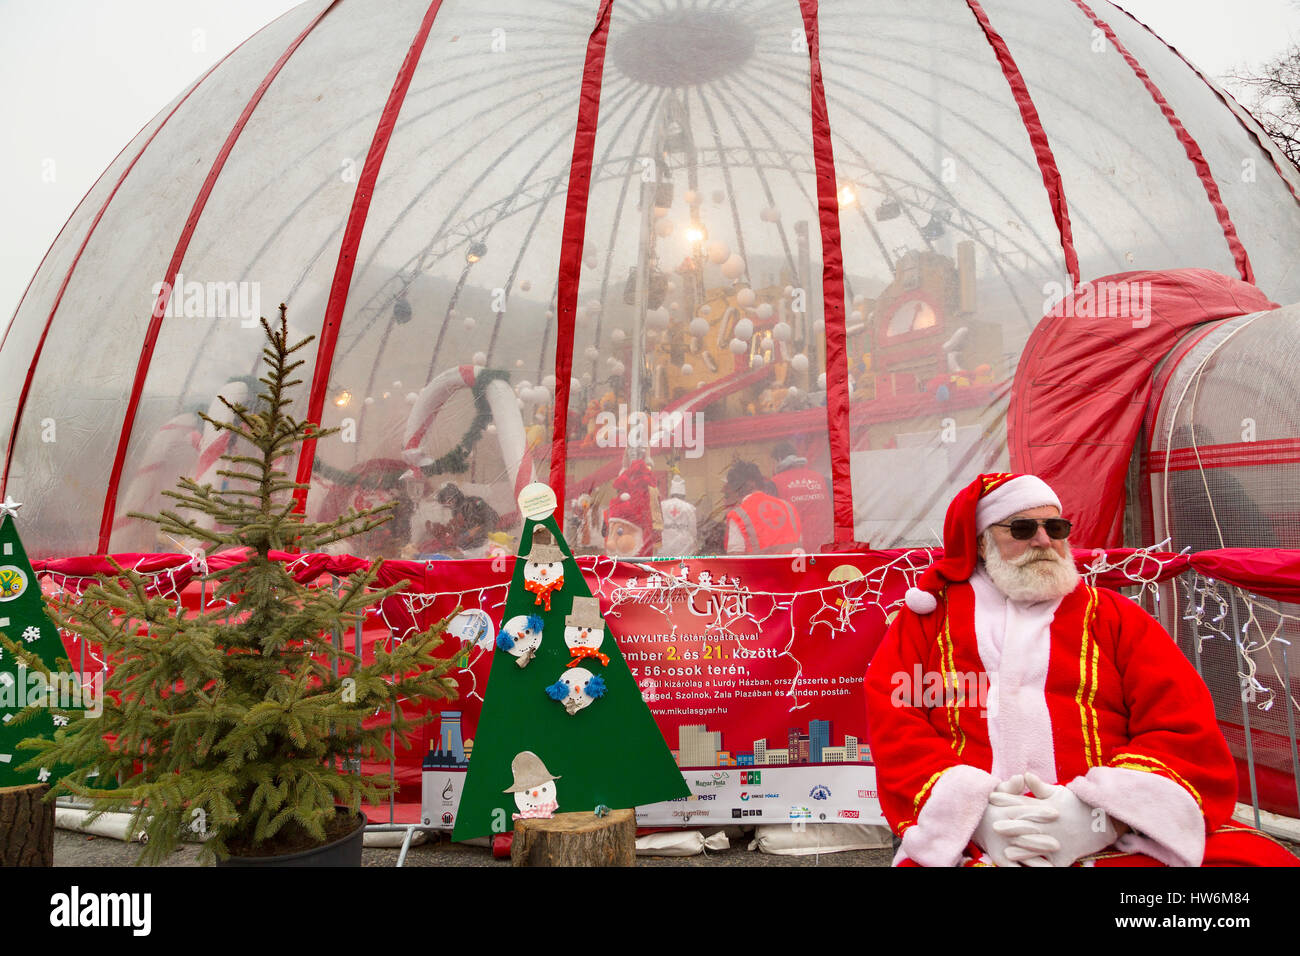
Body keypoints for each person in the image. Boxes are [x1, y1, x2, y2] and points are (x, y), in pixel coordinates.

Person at [864, 472, 1297, 867]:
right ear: (981, 541)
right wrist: (977, 815)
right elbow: (897, 725)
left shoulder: (1113, 616)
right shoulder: (929, 620)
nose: (1043, 541)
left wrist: (1101, 815)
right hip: (974, 839)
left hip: (1116, 834)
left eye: (1055, 528)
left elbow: (1180, 724)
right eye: (1021, 528)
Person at [722, 460, 801, 555]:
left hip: (759, 569)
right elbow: (799, 546)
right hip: (791, 568)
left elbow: (735, 558)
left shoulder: (738, 515)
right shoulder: (788, 507)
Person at [770, 441, 832, 551]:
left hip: (796, 548)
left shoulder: (774, 484)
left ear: (779, 459)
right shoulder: (822, 479)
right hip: (825, 544)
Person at [659, 471, 698, 556]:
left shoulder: (662, 505)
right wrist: (695, 543)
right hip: (683, 547)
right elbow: (692, 529)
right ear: (683, 495)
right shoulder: (689, 507)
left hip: (665, 545)